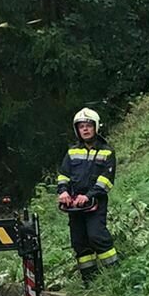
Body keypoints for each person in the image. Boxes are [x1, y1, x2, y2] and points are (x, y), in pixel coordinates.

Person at [55, 108, 117, 285]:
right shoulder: (72, 152)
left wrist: (89, 195)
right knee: (79, 242)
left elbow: (106, 180)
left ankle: (113, 275)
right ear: (77, 130)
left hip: (95, 203)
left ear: (96, 127)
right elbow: (63, 175)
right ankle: (90, 281)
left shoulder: (107, 152)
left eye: (89, 126)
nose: (85, 129)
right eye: (81, 126)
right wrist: (63, 191)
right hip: (75, 205)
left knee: (97, 236)